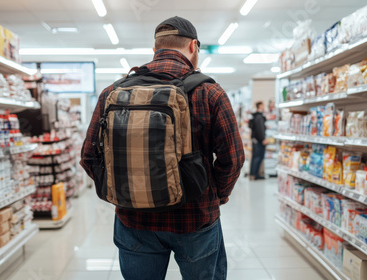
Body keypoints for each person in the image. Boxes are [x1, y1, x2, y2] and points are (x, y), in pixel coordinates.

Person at [80, 16, 244, 280]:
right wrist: (215, 195)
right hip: (195, 217)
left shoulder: (113, 92)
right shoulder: (210, 92)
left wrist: (124, 190)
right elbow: (232, 159)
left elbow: (89, 157)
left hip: (133, 220)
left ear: (154, 50)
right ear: (193, 46)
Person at [249, 101, 268, 180]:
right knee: (258, 157)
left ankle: (253, 174)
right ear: (259, 106)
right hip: (259, 140)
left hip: (255, 139)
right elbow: (260, 129)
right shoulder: (259, 117)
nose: (264, 106)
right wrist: (263, 139)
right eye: (263, 105)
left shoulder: (255, 116)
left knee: (255, 157)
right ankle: (255, 174)